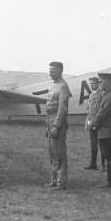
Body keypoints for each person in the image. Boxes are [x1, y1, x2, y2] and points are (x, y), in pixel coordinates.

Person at [91, 73, 111, 188]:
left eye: (101, 82)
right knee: (108, 155)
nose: (100, 84)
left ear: (108, 82)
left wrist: (93, 123)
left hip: (109, 130)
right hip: (106, 130)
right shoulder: (107, 95)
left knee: (109, 155)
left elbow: (103, 113)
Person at [45, 61, 71, 190]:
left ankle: (61, 182)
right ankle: (54, 180)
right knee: (52, 153)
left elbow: (62, 108)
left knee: (59, 152)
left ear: (60, 71)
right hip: (50, 119)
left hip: (57, 120)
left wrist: (56, 125)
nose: (51, 73)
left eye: (53, 71)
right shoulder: (53, 85)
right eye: (50, 70)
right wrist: (48, 125)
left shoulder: (63, 86)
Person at [84, 76, 103, 170]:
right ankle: (93, 163)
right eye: (90, 84)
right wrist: (87, 121)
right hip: (91, 122)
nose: (92, 85)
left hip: (98, 123)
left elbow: (100, 109)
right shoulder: (91, 95)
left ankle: (104, 164)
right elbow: (89, 110)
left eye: (93, 83)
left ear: (98, 84)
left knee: (102, 144)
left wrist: (96, 121)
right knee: (93, 144)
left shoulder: (101, 95)